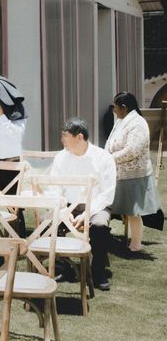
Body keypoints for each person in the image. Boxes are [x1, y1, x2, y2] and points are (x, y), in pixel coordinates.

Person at [51, 118, 116, 291]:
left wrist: (87, 212)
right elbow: (55, 188)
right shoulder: (60, 157)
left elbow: (107, 194)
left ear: (80, 137)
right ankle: (63, 267)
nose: (62, 140)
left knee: (100, 225)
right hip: (68, 205)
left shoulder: (103, 157)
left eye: (65, 136)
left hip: (96, 206)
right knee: (48, 221)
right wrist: (64, 210)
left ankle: (98, 271)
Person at [105, 92, 161, 253]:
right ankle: (106, 236)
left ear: (124, 107)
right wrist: (105, 155)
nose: (113, 110)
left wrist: (110, 158)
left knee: (134, 212)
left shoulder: (138, 123)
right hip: (117, 172)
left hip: (134, 175)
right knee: (117, 208)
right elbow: (110, 141)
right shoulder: (120, 120)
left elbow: (132, 150)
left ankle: (136, 244)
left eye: (115, 107)